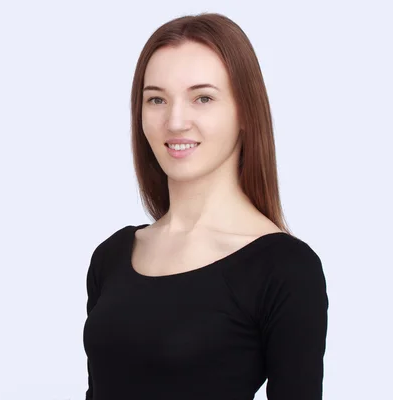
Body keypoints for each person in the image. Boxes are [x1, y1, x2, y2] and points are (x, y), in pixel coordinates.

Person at [82, 12, 329, 400]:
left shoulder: (284, 269)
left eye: (203, 98)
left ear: (245, 112)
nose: (176, 121)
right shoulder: (111, 256)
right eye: (157, 99)